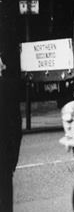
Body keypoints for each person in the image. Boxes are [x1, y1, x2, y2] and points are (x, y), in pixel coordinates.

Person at [0, 56, 22, 212]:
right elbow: (16, 127)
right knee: (5, 199)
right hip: (4, 156)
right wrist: (14, 158)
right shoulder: (9, 88)